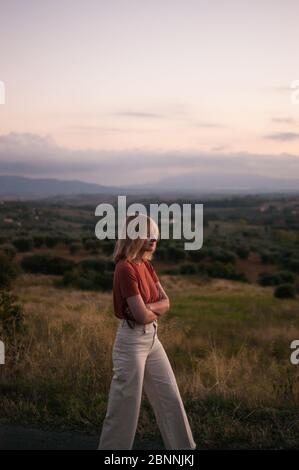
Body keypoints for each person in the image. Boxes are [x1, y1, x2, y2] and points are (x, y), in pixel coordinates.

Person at [98, 213, 197, 450]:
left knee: (169, 397)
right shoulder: (125, 268)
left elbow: (166, 302)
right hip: (131, 341)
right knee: (125, 406)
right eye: (146, 234)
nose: (153, 239)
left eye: (155, 234)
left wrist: (148, 307)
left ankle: (184, 452)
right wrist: (152, 309)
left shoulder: (147, 266)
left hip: (152, 338)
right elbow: (141, 315)